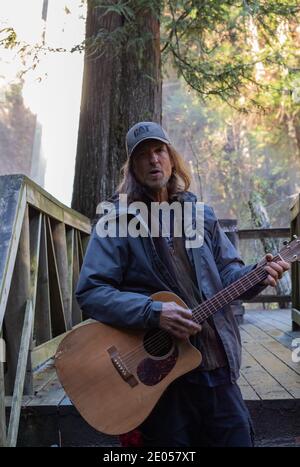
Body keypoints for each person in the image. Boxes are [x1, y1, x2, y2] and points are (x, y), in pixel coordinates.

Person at [75, 121, 290, 447]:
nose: (153, 160)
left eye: (159, 151)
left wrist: (259, 275)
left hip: (215, 365)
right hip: (159, 382)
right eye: (143, 155)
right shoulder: (116, 222)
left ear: (172, 158)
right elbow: (92, 292)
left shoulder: (202, 216)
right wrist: (153, 312)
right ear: (132, 167)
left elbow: (230, 279)